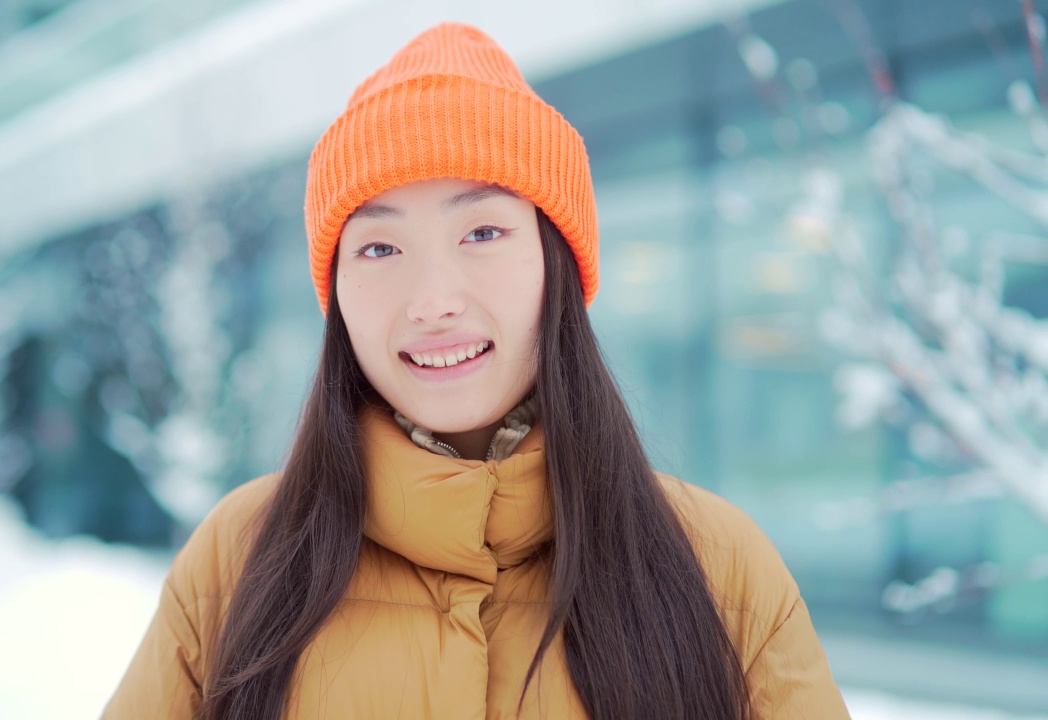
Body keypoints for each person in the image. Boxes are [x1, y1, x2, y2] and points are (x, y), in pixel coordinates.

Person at [102, 22, 851, 720]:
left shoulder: (720, 567)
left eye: (483, 231)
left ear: (557, 266)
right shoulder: (239, 559)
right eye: (379, 248)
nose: (433, 301)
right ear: (337, 294)